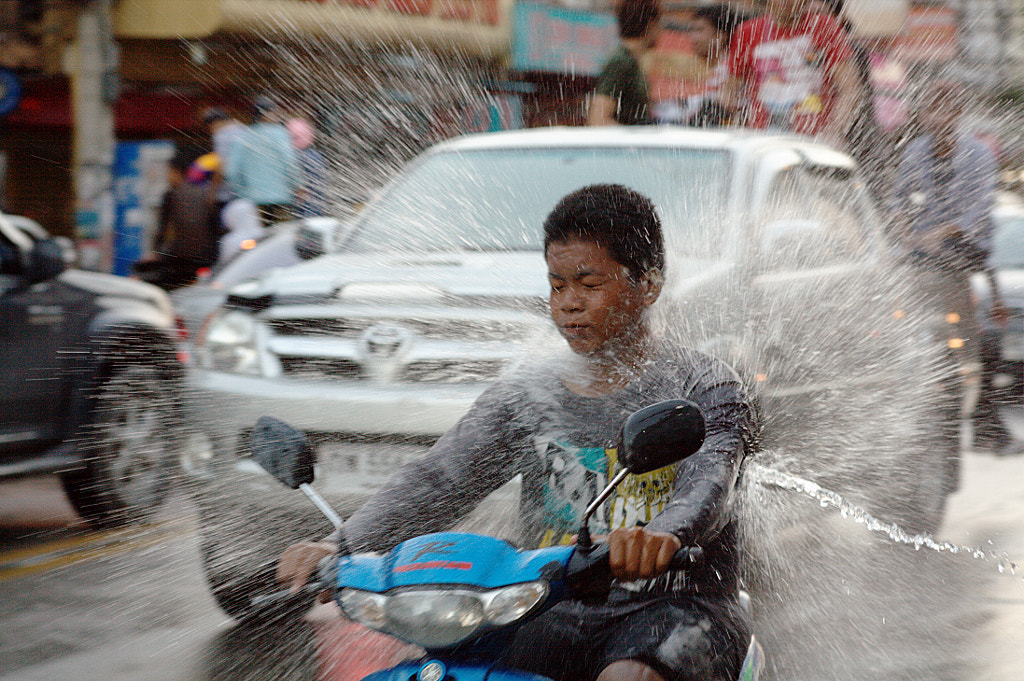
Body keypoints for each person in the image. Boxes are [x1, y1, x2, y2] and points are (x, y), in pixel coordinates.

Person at [278, 184, 757, 681]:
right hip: (550, 605)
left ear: (649, 286)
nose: (568, 304)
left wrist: (664, 533)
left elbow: (710, 485)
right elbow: (441, 478)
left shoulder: (704, 386)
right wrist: (343, 545)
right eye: (556, 285)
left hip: (680, 609)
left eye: (588, 285)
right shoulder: (530, 394)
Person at [891, 80, 1019, 456]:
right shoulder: (915, 152)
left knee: (976, 347)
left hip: (966, 260)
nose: (938, 117)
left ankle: (981, 423)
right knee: (911, 334)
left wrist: (937, 234)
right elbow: (900, 197)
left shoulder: (978, 154)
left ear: (957, 113)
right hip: (920, 261)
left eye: (945, 109)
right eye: (931, 109)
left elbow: (978, 212)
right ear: (922, 115)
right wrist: (904, 229)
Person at [722, 0, 859, 148]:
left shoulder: (824, 26)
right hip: (763, 139)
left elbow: (850, 89)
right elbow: (729, 91)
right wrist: (741, 126)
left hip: (815, 138)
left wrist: (833, 131)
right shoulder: (748, 31)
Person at [654, 4, 744, 127]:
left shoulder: (734, 72)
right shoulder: (688, 67)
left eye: (699, 30)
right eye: (691, 31)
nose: (692, 37)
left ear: (720, 36)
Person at [225, 95, 300, 227]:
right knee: (282, 238)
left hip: (252, 201)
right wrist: (298, 186)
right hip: (281, 198)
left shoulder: (242, 137)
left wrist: (241, 193)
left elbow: (231, 171)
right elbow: (290, 162)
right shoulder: (280, 133)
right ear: (267, 113)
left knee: (258, 241)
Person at [588, 0, 662, 126]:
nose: (661, 31)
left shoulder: (632, 61)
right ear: (651, 25)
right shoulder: (621, 62)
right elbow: (598, 119)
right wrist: (638, 141)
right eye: (659, 25)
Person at [286, 117, 330, 218]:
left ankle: (308, 216)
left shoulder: (291, 126)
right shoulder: (315, 156)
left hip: (297, 154)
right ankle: (312, 216)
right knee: (315, 189)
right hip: (306, 153)